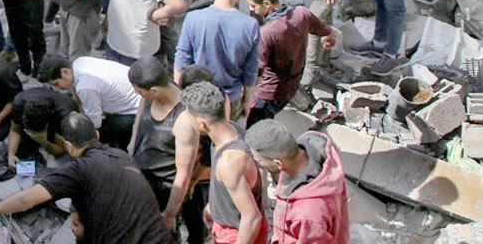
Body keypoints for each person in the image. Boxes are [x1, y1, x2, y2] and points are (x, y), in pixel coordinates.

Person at [0, 112, 173, 244]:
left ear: (68, 145)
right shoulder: (121, 155)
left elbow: (25, 199)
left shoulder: (77, 170)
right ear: (96, 135)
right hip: (160, 237)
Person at [127, 56, 207, 241]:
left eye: (139, 91)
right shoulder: (146, 97)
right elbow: (137, 130)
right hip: (141, 179)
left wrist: (170, 214)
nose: (137, 94)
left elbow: (183, 174)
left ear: (154, 90)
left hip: (165, 188)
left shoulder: (185, 118)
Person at [181, 81, 268, 244]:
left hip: (238, 235)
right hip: (227, 226)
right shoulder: (230, 131)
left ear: (202, 123)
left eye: (188, 116)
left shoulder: (229, 162)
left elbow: (252, 218)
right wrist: (213, 205)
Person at [245, 0, 339, 126]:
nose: (251, 9)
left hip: (268, 94)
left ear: (267, 4)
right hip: (292, 86)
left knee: (255, 132)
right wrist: (329, 38)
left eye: (253, 6)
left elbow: (256, 74)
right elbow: (328, 31)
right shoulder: (301, 13)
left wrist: (244, 100)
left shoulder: (267, 33)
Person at [175, 0, 261, 118]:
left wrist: (180, 97)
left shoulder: (193, 18)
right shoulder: (250, 25)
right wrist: (247, 101)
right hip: (230, 98)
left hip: (198, 98)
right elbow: (250, 70)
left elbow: (182, 61)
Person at [245, 121, 350, 244]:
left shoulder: (308, 213)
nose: (258, 165)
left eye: (259, 162)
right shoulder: (305, 156)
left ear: (278, 164)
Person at [39, 55, 141, 151]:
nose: (57, 89)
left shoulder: (85, 87)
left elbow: (95, 122)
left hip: (135, 111)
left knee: (102, 130)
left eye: (57, 84)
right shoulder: (79, 62)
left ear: (64, 72)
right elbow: (76, 96)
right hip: (135, 94)